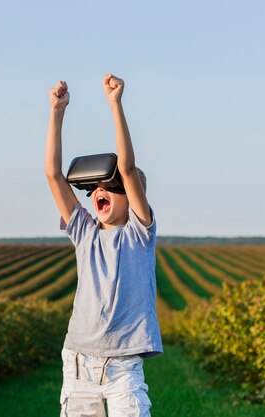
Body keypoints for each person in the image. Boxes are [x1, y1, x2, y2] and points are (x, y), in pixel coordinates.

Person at [45, 74, 163, 417]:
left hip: (122, 365)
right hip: (78, 362)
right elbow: (53, 174)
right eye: (94, 187)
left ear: (131, 196)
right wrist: (57, 112)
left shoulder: (139, 234)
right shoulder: (84, 231)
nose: (100, 191)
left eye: (110, 186)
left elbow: (126, 167)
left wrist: (115, 103)